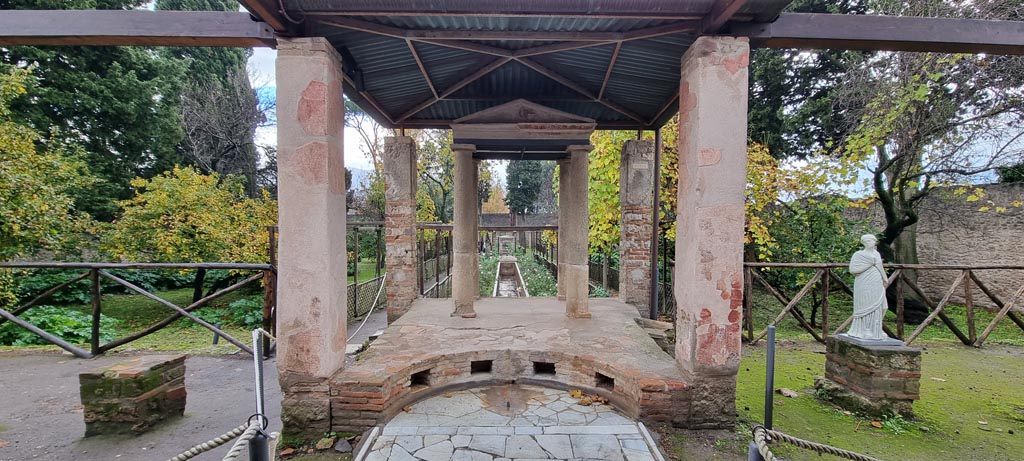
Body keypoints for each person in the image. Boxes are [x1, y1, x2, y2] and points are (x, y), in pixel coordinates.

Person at [847, 234, 889, 340]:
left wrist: (885, 279)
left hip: (876, 282)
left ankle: (876, 328)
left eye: (874, 241)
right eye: (870, 241)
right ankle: (865, 329)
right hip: (864, 283)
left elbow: (880, 267)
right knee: (866, 307)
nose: (873, 243)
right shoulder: (858, 255)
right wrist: (869, 264)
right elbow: (853, 270)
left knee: (883, 306)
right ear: (864, 242)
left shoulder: (876, 253)